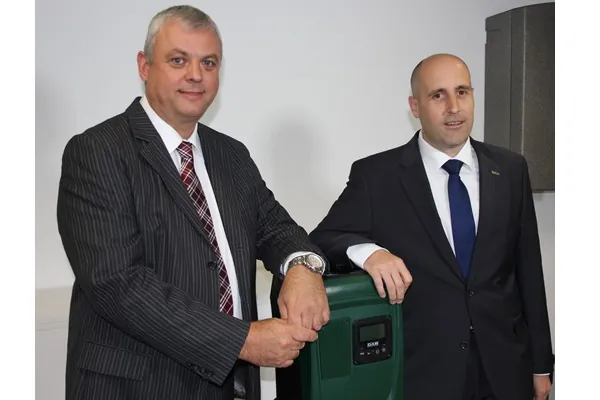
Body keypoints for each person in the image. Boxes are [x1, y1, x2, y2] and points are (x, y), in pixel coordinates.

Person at [56, 5, 330, 400]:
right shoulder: (97, 151)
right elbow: (118, 284)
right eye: (178, 60)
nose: (196, 75)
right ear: (144, 65)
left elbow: (275, 227)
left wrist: (303, 267)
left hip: (231, 386)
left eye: (209, 62)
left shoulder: (231, 155)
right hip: (138, 387)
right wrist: (242, 341)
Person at [309, 53, 554, 400]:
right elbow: (322, 239)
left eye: (462, 92)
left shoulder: (511, 169)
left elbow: (528, 270)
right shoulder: (377, 176)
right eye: (438, 95)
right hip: (425, 375)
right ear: (415, 106)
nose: (453, 107)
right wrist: (369, 253)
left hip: (506, 370)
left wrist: (541, 365)